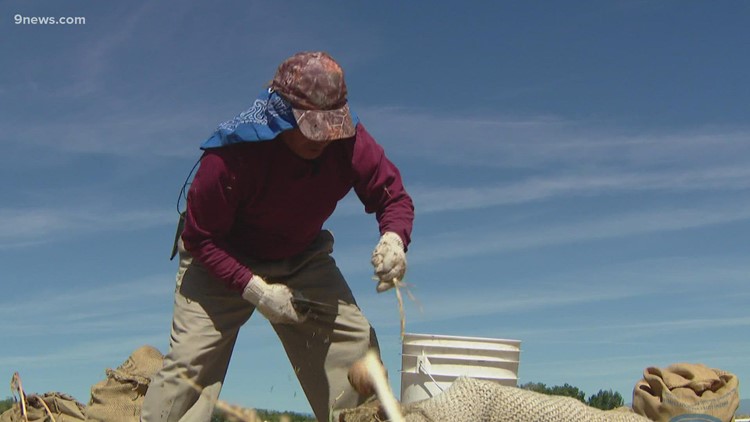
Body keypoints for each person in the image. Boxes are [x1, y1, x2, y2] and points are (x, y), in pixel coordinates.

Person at [141, 51, 415, 421]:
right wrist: (256, 290)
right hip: (221, 255)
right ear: (281, 112)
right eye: (312, 127)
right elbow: (200, 237)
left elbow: (392, 195)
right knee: (191, 364)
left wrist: (394, 239)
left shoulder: (348, 141)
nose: (324, 138)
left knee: (354, 347)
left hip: (300, 254)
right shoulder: (231, 156)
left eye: (332, 125)